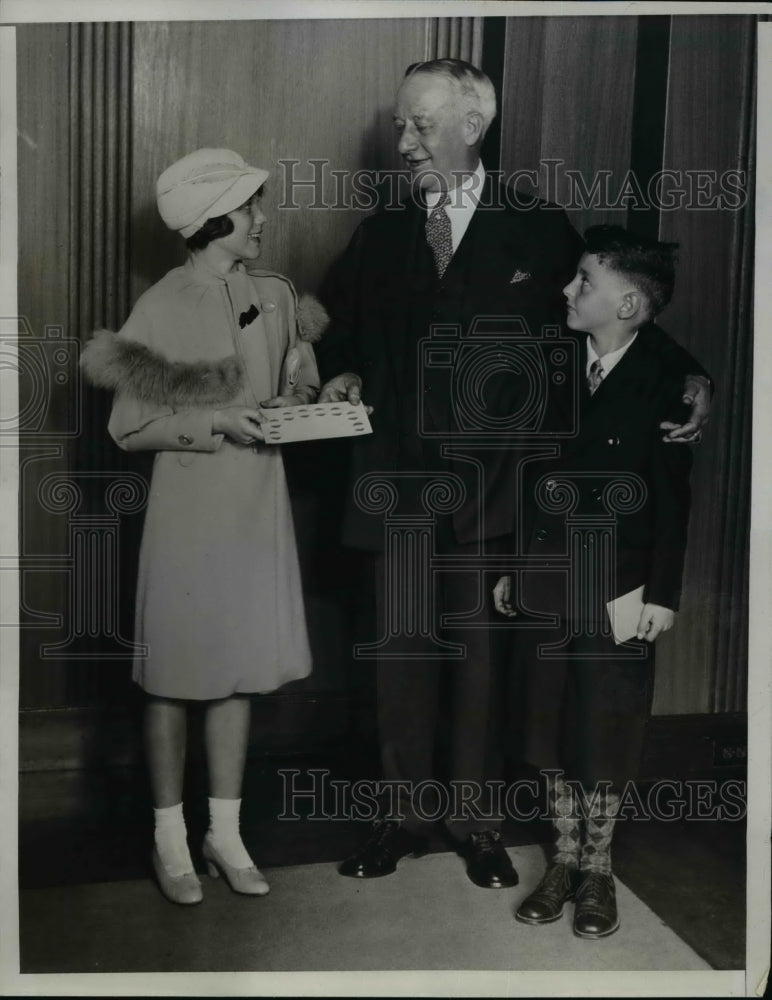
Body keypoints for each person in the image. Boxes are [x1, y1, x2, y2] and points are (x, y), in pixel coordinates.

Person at [317, 59, 712, 888]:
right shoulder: (383, 231)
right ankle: (400, 817)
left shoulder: (539, 229)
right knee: (400, 659)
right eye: (401, 125)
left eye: (421, 125)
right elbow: (336, 325)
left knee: (479, 665)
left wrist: (691, 378)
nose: (405, 142)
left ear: (472, 125)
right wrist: (338, 368)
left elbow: (612, 324)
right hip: (395, 489)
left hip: (497, 495)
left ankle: (475, 823)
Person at [81, 148, 323, 904]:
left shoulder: (278, 292)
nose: (262, 219)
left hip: (257, 506)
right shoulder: (161, 305)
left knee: (237, 675)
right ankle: (170, 840)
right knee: (175, 679)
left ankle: (225, 832)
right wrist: (216, 419)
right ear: (213, 220)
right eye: (250, 207)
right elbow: (128, 427)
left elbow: (300, 374)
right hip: (189, 514)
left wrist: (302, 398)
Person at [494, 225, 696, 938]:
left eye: (584, 282)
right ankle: (564, 857)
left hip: (621, 585)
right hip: (548, 575)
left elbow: (674, 498)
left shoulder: (671, 378)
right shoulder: (553, 358)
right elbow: (524, 471)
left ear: (631, 303)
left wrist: (663, 595)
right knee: (546, 721)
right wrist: (514, 567)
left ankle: (599, 869)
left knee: (605, 726)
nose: (567, 290)